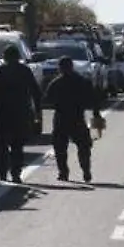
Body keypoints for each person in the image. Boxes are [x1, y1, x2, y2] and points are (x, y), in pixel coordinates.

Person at [42, 55, 105, 183]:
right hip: (76, 118)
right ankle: (84, 170)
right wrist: (96, 115)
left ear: (60, 68)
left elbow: (47, 100)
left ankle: (64, 172)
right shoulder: (82, 81)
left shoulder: (56, 83)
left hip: (62, 118)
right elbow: (94, 99)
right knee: (82, 147)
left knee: (61, 148)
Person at [0, 43, 43, 182]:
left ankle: (3, 172)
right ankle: (16, 173)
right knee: (17, 145)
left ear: (4, 57)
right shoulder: (25, 71)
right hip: (21, 112)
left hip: (3, 113)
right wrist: (37, 112)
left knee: (2, 145)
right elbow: (36, 92)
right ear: (18, 57)